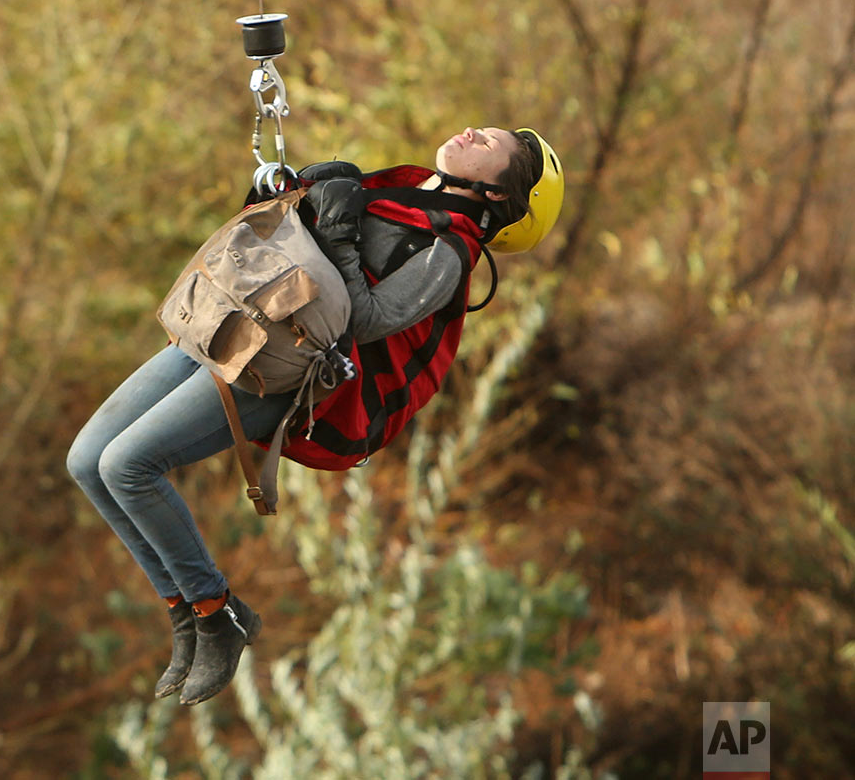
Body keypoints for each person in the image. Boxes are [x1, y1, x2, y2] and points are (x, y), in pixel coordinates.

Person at [66, 126, 563, 706]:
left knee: (128, 465)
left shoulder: (447, 255)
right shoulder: (398, 189)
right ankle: (184, 615)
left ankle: (214, 612)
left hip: (279, 369)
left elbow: (368, 320)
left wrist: (341, 230)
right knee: (86, 460)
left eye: (490, 145)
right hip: (233, 319)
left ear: (499, 195)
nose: (472, 131)